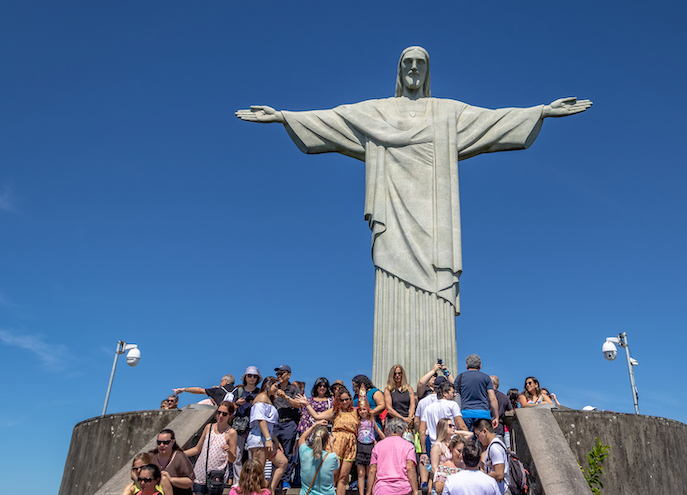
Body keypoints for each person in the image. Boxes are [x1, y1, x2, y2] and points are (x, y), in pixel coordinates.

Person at [236, 46, 592, 383]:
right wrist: (284, 117)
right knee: (390, 279)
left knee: (436, 285)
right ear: (398, 70)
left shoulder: (446, 112)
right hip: (393, 217)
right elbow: (333, 120)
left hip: (435, 220)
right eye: (407, 62)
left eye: (420, 63)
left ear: (427, 72)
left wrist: (541, 111)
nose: (413, 69)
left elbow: (493, 122)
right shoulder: (376, 112)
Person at [246, 376, 288, 494]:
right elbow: (261, 420)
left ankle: (270, 490)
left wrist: (275, 440)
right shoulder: (261, 398)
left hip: (267, 438)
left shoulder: (267, 399)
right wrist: (269, 439)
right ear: (268, 385)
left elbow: (268, 425)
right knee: (258, 471)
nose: (277, 389)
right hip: (259, 440)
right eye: (276, 386)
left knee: (282, 462)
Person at [184, 401, 238, 494]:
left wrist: (229, 451)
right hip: (200, 473)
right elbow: (197, 449)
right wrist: (180, 454)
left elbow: (233, 459)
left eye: (224, 414)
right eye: (218, 412)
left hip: (216, 476)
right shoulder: (208, 427)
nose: (220, 416)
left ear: (230, 415)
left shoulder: (231, 433)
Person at [274, 364, 307, 491]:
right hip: (276, 423)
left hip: (289, 423)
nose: (279, 376)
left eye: (281, 373)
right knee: (274, 451)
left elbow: (299, 404)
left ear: (289, 375)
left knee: (287, 452)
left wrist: (286, 397)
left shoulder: (294, 388)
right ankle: (275, 480)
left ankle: (285, 480)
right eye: (278, 374)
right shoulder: (274, 387)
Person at [366, 417, 418, 495]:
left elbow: (372, 470)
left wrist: (368, 492)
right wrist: (415, 490)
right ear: (403, 430)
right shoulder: (408, 446)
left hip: (382, 489)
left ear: (388, 429)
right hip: (403, 488)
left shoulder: (378, 446)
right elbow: (410, 467)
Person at [233, 367, 263, 485]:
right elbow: (230, 408)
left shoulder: (260, 392)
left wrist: (254, 402)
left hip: (254, 426)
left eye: (254, 376)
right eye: (249, 375)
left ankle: (251, 480)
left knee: (253, 456)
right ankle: (237, 481)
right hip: (240, 426)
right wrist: (237, 403)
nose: (252, 378)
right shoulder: (238, 391)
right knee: (237, 455)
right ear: (245, 377)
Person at [454, 355, 498, 430]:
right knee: (484, 440)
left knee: (466, 440)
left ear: (466, 366)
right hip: (483, 414)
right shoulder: (486, 378)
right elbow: (492, 398)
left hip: (465, 414)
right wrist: (496, 416)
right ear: (480, 366)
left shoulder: (460, 377)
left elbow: (455, 395)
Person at [429, 420, 472, 495]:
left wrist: (455, 432)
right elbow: (434, 468)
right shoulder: (437, 446)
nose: (453, 427)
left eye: (453, 425)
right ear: (443, 428)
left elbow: (470, 434)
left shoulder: (454, 443)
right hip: (442, 479)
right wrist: (440, 480)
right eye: (450, 426)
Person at [298, 420, 340, 495]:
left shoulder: (304, 453)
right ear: (327, 441)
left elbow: (301, 439)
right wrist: (332, 445)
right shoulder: (331, 457)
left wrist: (314, 426)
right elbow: (337, 466)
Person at [149, 429, 195, 495]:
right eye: (159, 443)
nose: (162, 445)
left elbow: (190, 482)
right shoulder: (151, 456)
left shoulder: (179, 457)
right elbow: (136, 469)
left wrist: (171, 479)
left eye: (165, 443)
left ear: (173, 442)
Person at [421, 382, 466, 446]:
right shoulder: (453, 404)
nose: (455, 394)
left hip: (434, 446)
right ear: (444, 393)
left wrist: (424, 452)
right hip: (450, 445)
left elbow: (422, 430)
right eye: (453, 392)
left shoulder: (427, 408)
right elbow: (461, 426)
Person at [472, 420, 509, 495]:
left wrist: (481, 478)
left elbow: (499, 474)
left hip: (502, 491)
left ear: (485, 431)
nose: (478, 439)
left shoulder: (495, 447)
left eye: (477, 435)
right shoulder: (492, 446)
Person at [357, 399, 386, 495]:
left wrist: (386, 441)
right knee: (361, 473)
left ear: (368, 410)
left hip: (370, 447)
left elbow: (378, 431)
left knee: (371, 472)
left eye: (364, 409)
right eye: (360, 410)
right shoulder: (357, 421)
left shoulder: (371, 421)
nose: (362, 411)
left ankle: (370, 492)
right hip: (360, 446)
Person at [384, 365, 416, 434]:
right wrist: (403, 419)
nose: (397, 375)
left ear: (402, 374)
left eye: (399, 373)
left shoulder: (409, 389)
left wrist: (409, 419)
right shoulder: (388, 390)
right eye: (395, 374)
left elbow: (412, 405)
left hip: (407, 421)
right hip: (394, 422)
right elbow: (389, 409)